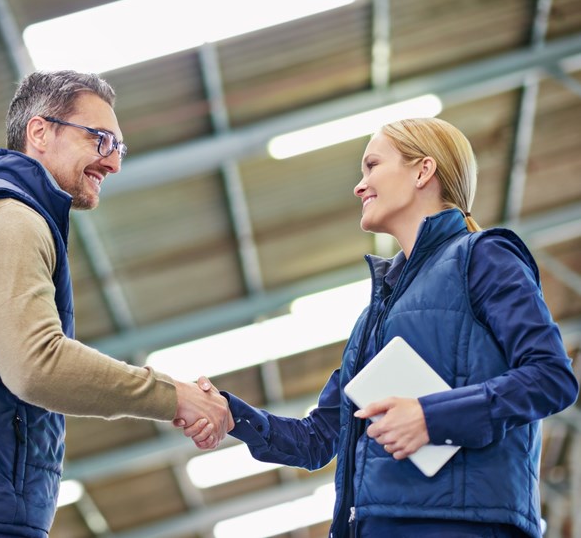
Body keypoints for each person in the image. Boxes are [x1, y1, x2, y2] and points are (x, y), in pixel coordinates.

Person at [180, 118, 579, 537]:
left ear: (423, 171)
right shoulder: (375, 316)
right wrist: (231, 415)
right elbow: (318, 438)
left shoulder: (483, 257)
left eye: (372, 165)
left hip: (461, 527)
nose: (359, 185)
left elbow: (551, 378)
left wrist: (430, 417)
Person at [0, 70, 231, 538]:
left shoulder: (10, 217)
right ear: (40, 132)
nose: (113, 163)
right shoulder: (6, 217)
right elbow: (37, 365)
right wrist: (175, 396)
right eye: (101, 140)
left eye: (119, 148)